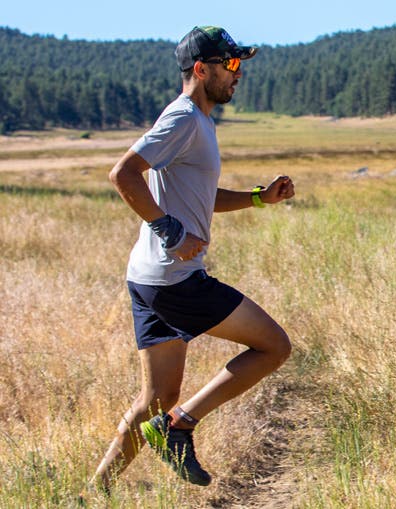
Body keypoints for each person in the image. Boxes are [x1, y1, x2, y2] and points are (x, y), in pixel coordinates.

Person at [86, 26, 295, 493]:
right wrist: (170, 229)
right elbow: (123, 174)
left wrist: (260, 199)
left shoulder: (198, 122)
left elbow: (202, 197)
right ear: (201, 70)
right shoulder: (183, 119)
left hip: (148, 278)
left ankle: (92, 494)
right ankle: (179, 427)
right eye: (231, 65)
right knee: (273, 347)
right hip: (174, 279)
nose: (238, 75)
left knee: (154, 400)